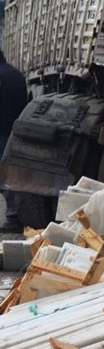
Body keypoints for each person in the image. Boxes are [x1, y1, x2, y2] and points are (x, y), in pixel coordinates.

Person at [0, 49, 27, 230]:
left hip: (1, 128)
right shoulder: (15, 73)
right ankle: (14, 215)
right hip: (14, 126)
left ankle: (13, 217)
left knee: (5, 173)